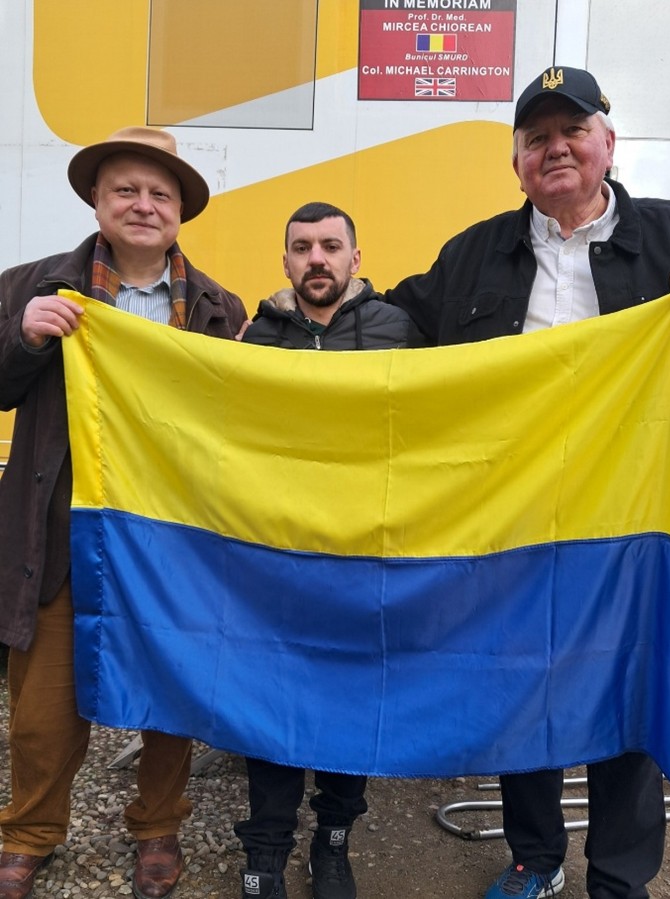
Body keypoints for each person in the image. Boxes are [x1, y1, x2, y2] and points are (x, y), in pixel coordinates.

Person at [384, 66, 670, 899]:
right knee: (517, 685)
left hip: (631, 522)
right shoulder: (473, 253)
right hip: (511, 518)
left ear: (607, 142)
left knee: (625, 690)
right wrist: (294, 323)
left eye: (572, 131)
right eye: (536, 138)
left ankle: (618, 877)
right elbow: (388, 332)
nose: (555, 148)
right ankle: (534, 856)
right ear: (516, 164)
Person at [0, 126, 246, 899]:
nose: (143, 204)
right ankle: (29, 831)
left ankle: (157, 826)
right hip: (60, 532)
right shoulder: (30, 287)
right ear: (98, 201)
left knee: (168, 695)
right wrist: (25, 339)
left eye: (159, 193)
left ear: (180, 210)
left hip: (170, 542)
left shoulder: (219, 308)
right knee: (40, 711)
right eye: (126, 190)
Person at [235, 201, 412, 899]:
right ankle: (266, 849)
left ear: (354, 258)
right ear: (284, 261)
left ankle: (333, 841)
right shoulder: (255, 337)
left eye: (331, 246)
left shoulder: (399, 328)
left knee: (352, 697)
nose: (317, 258)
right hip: (277, 555)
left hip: (369, 553)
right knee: (273, 698)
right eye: (302, 246)